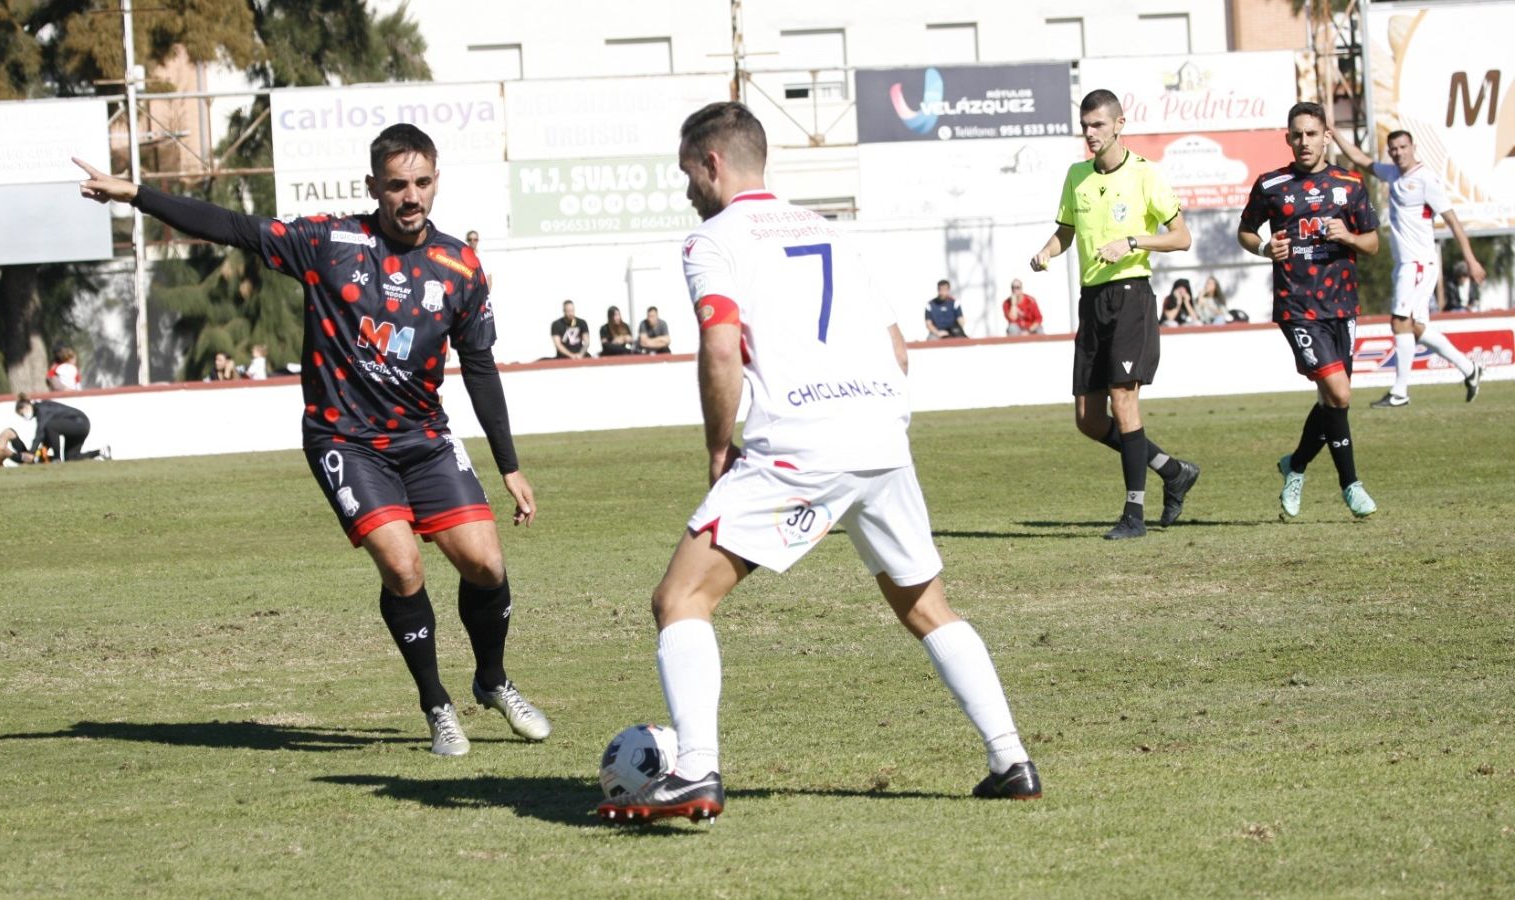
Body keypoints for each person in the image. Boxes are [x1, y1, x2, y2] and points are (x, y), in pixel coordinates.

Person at [596, 101, 1041, 825]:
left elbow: (718, 346)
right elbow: (898, 348)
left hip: (802, 443)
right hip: (881, 436)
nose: (687, 192)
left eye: (688, 174)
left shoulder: (712, 241)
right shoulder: (831, 233)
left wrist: (718, 445)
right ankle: (1010, 759)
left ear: (713, 164)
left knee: (679, 600)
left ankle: (698, 771)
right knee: (927, 606)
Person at [73, 122, 550, 756]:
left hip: (425, 439)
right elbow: (231, 227)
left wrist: (509, 464)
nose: (411, 197)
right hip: (344, 440)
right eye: (397, 185)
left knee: (487, 564)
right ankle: (437, 704)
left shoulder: (459, 267)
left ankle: (492, 681)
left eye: (422, 183)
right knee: (403, 566)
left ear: (436, 182)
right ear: (373, 187)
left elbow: (482, 368)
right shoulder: (330, 242)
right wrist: (135, 194)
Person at [1029, 89, 1201, 540]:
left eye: (1098, 125)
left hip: (1130, 298)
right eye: (1085, 126)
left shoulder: (1146, 175)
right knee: (1088, 419)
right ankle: (1173, 470)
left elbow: (1181, 237)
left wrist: (1132, 241)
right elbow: (1065, 231)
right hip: (1092, 301)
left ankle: (1134, 515)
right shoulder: (1077, 176)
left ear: (1119, 124)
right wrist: (1047, 251)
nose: (1090, 134)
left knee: (1124, 403)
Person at [1238, 102, 1381, 520]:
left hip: (1343, 305)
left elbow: (1372, 243)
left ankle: (1295, 465)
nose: (1304, 141)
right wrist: (1266, 247)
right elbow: (1246, 231)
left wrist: (1349, 236)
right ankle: (1350, 484)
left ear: (1326, 137)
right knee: (1338, 393)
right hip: (1298, 305)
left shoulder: (1349, 184)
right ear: (1288, 138)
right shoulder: (1272, 185)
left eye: (1311, 134)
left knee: (1333, 400)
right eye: (1297, 134)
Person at [1330, 128, 1486, 407]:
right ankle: (1470, 369)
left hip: (1418, 264)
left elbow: (1453, 221)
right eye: (1394, 149)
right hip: (1405, 264)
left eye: (1403, 147)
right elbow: (1360, 159)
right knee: (1415, 327)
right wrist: (1334, 130)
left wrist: (1471, 259)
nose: (1399, 152)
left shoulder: (1426, 180)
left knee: (1399, 322)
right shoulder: (1393, 174)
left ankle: (1400, 392)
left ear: (1413, 147)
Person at [16, 393, 107, 462]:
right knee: (70, 458)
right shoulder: (41, 412)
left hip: (79, 422)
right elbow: (44, 434)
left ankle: (57, 458)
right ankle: (101, 452)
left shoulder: (42, 409)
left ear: (26, 405)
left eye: (22, 413)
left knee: (51, 426)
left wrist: (31, 452)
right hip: (80, 425)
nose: (24, 416)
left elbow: (40, 432)